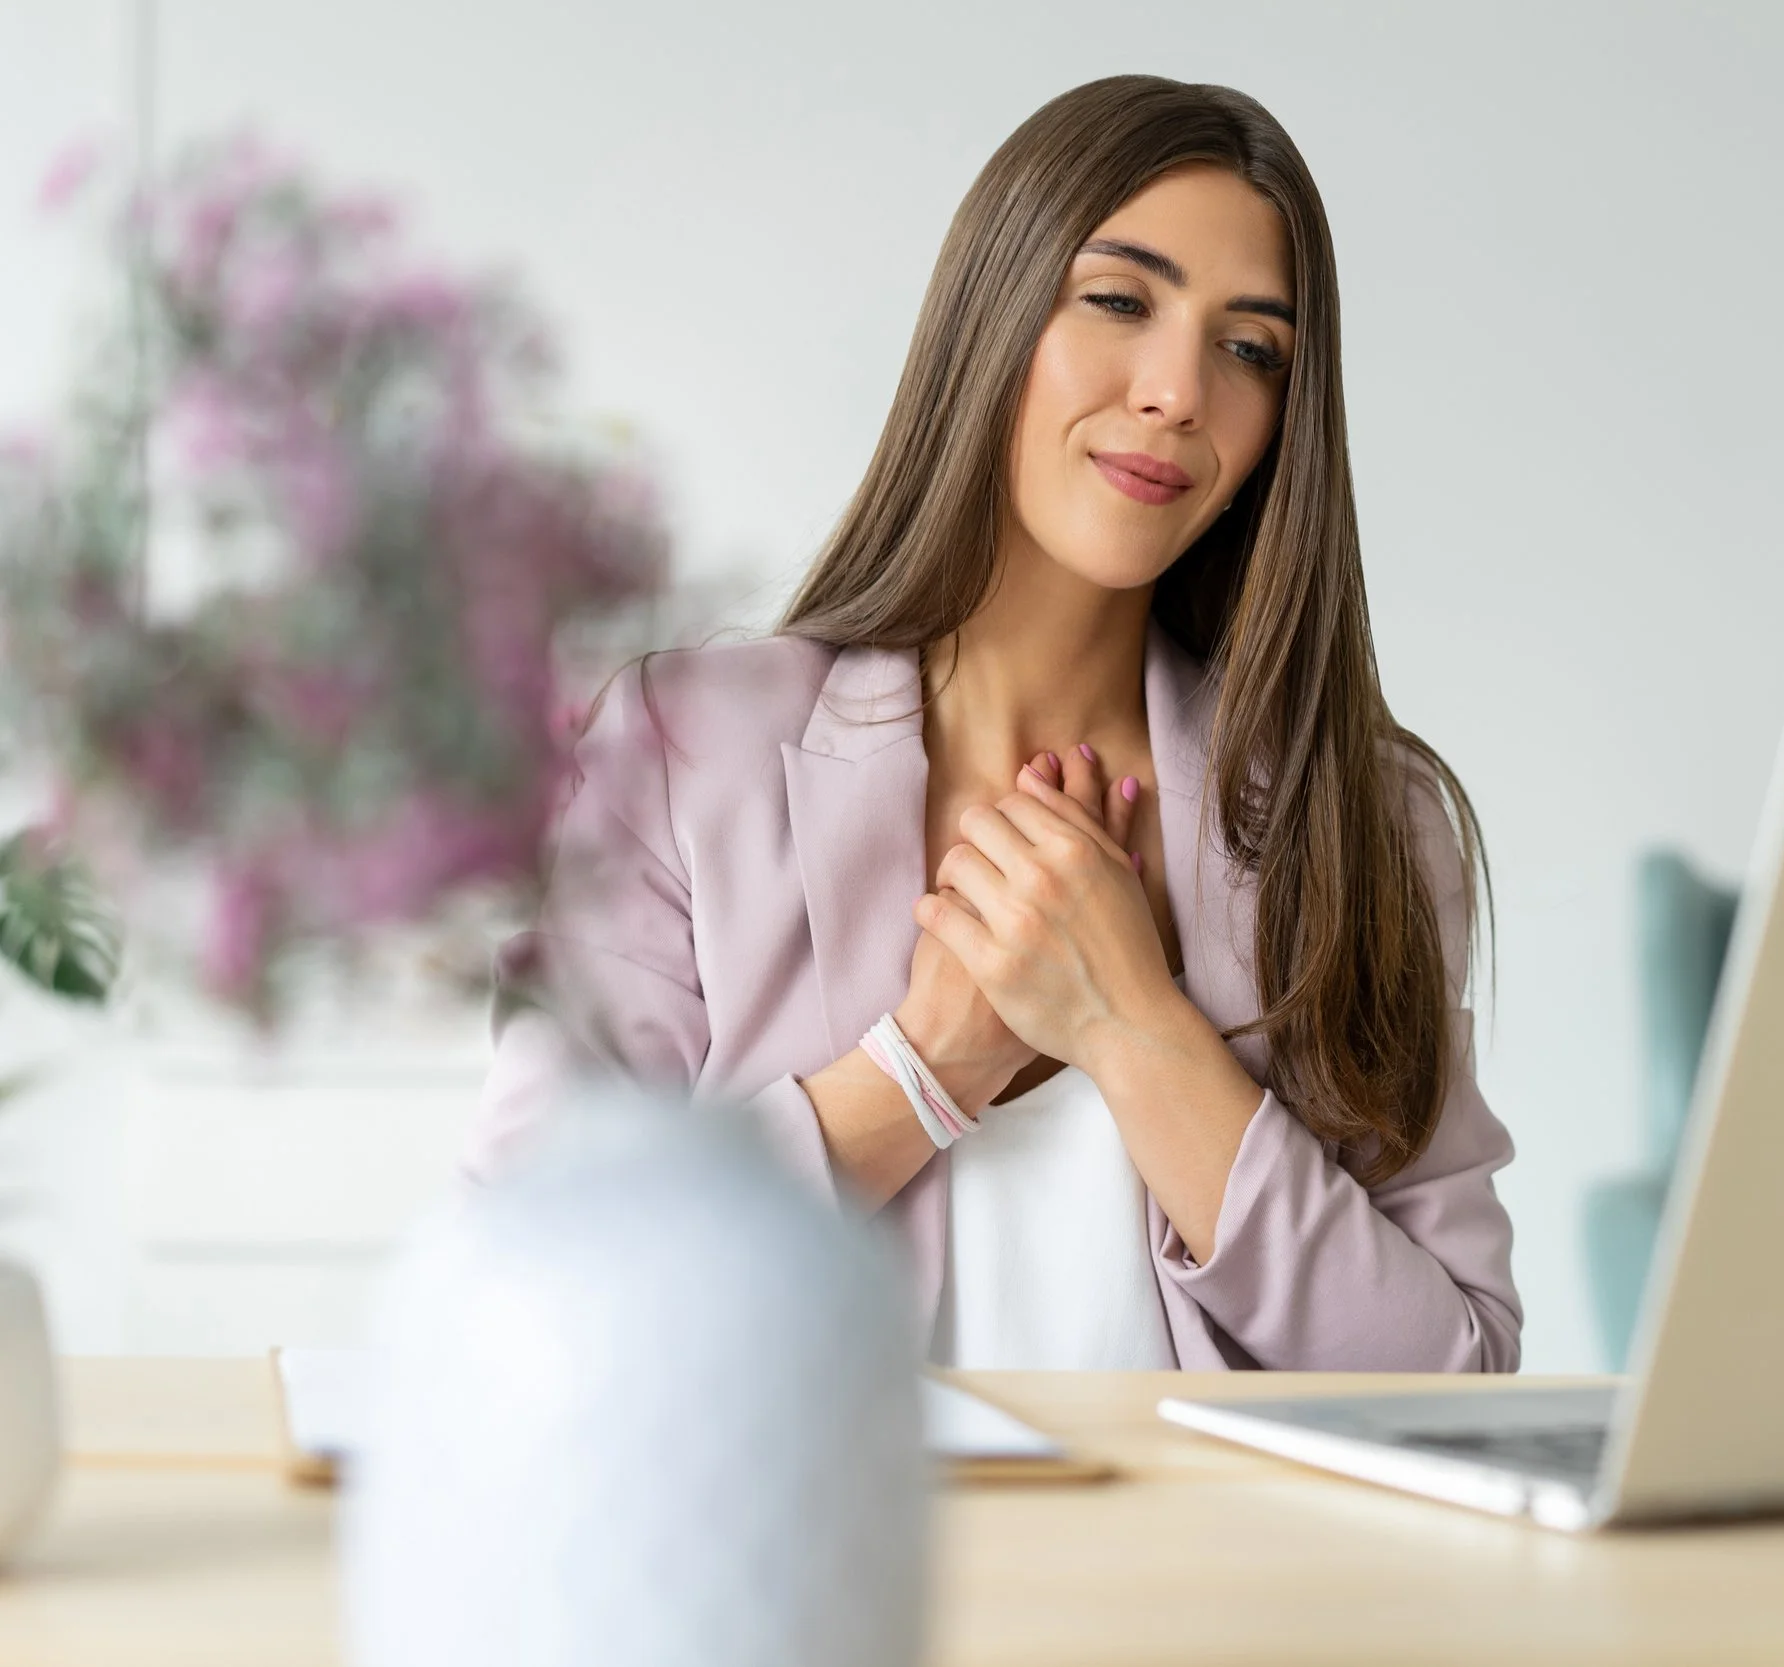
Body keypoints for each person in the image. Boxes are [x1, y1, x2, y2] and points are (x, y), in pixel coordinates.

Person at [466, 74, 1520, 1373]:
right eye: (1121, 300)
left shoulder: (1359, 818)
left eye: (1250, 348)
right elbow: (529, 1283)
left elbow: (1455, 1372)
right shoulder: (679, 749)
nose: (1179, 391)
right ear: (995, 314)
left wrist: (1138, 1029)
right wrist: (926, 1067)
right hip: (803, 1569)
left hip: (1225, 1579)